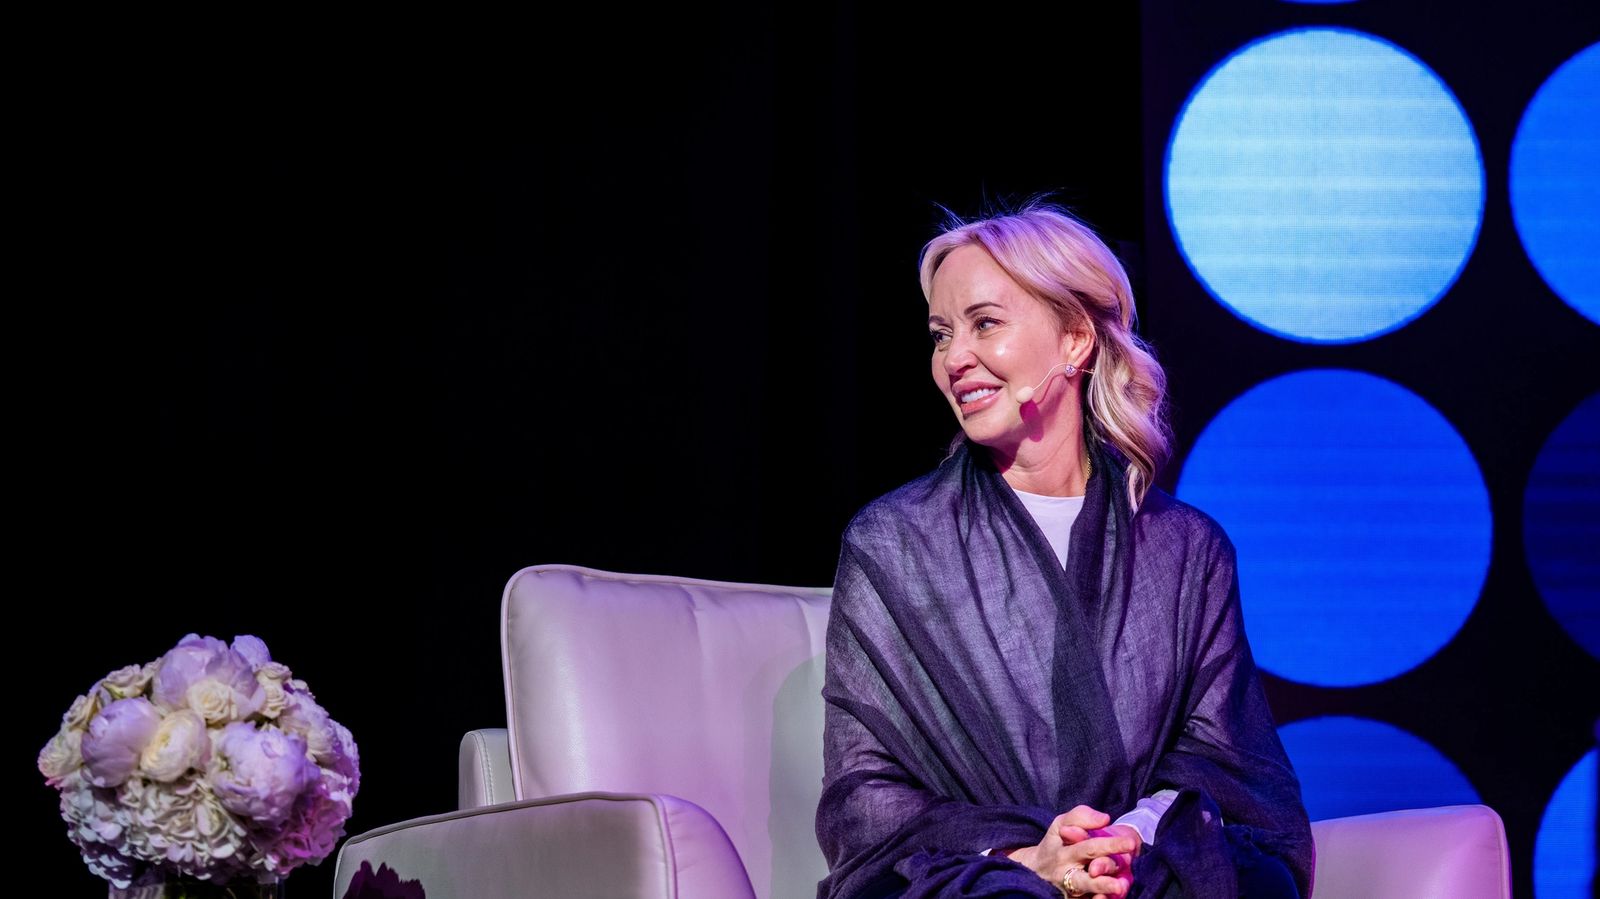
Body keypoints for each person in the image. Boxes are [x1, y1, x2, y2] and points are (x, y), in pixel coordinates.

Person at [813, 200, 1313, 899]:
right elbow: (865, 795)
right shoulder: (893, 543)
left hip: (1143, 869)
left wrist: (1121, 842)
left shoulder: (1186, 549)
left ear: (1075, 338)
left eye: (985, 323)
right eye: (940, 334)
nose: (954, 358)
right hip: (975, 878)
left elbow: (1222, 764)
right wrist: (1024, 857)